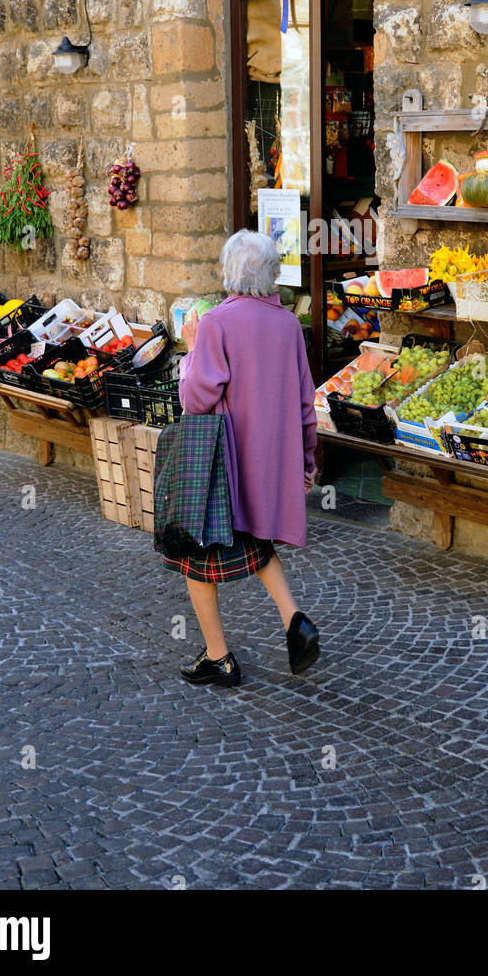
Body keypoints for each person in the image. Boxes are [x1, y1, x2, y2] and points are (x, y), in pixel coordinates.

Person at [167, 229, 320, 688]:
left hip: (224, 467)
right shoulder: (289, 325)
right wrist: (308, 461)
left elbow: (195, 399)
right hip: (268, 468)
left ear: (230, 273)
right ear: (272, 275)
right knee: (257, 544)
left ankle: (219, 657)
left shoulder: (216, 323)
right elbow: (305, 405)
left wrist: (191, 349)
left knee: (196, 556)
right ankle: (296, 621)